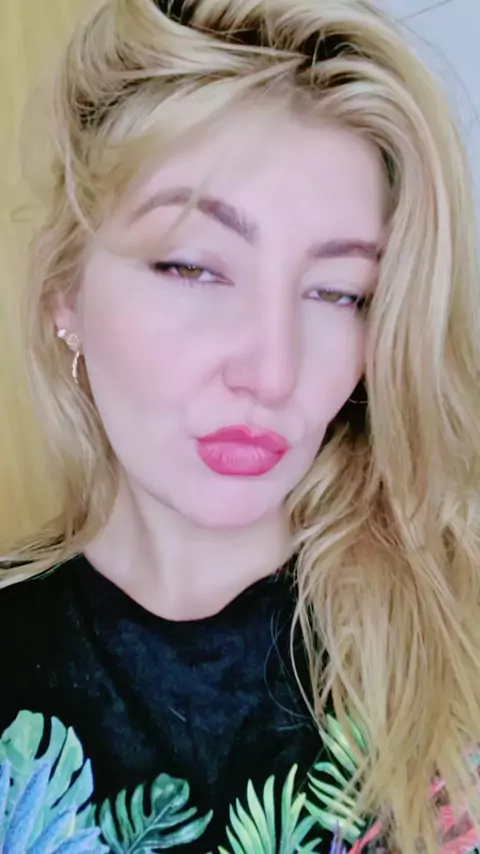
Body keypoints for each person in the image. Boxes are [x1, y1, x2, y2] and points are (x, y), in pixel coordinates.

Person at [1, 0, 480, 851]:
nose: (272, 372)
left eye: (339, 292)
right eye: (192, 267)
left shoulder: (460, 639)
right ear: (65, 292)